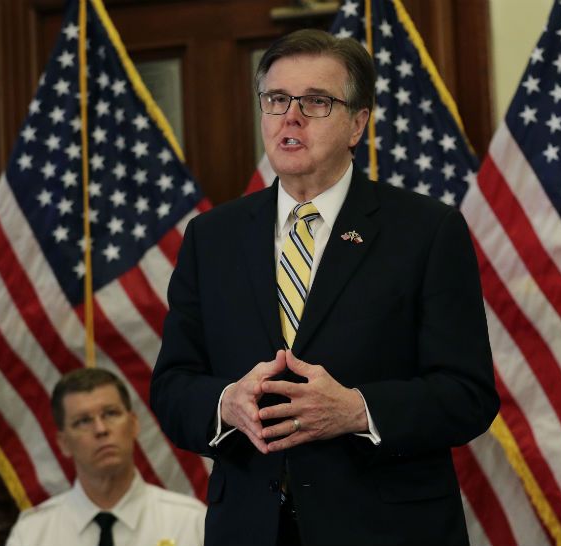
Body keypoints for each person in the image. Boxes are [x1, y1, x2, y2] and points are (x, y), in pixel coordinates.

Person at [150, 28, 498, 545]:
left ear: (358, 123)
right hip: (250, 528)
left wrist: (356, 411)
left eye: (315, 101)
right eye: (276, 99)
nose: (290, 117)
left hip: (386, 529)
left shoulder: (426, 231)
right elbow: (173, 385)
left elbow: (467, 394)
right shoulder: (212, 237)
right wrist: (227, 403)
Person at [7, 368, 205, 546]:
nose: (101, 429)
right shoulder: (32, 534)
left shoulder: (190, 523)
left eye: (110, 413)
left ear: (134, 424)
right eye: (83, 421)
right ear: (63, 443)